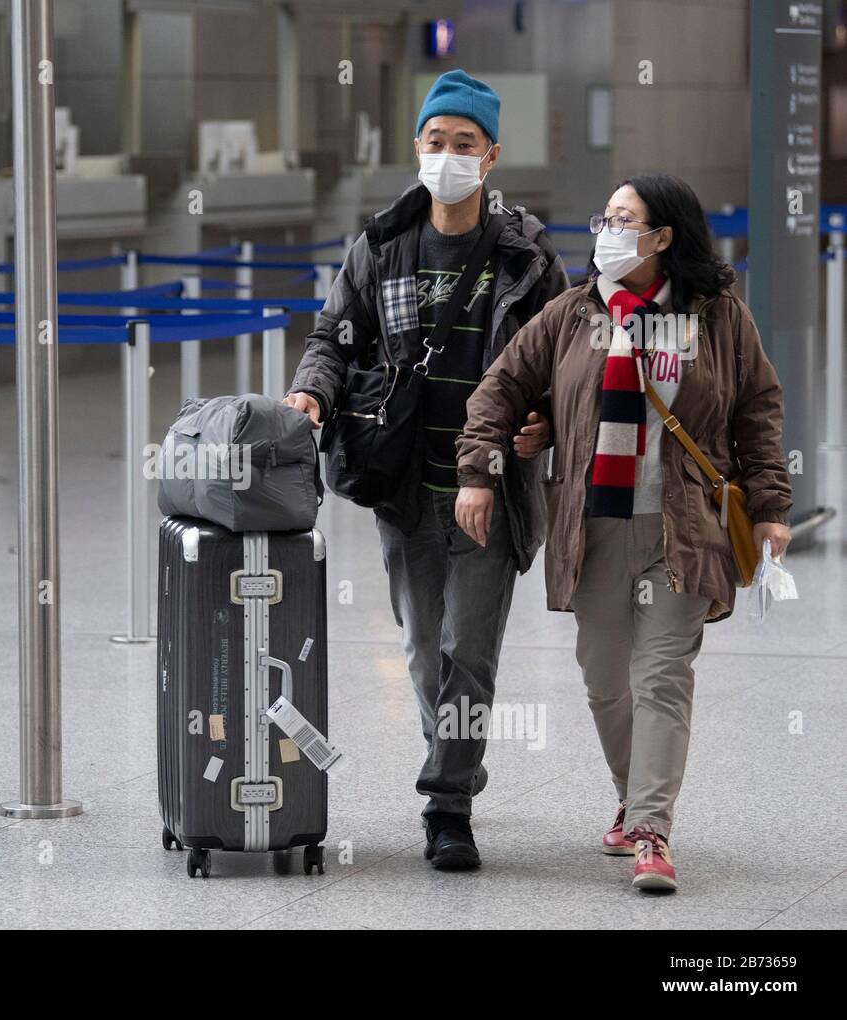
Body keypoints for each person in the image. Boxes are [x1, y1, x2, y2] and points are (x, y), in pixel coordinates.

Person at [455, 173, 793, 892]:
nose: (605, 229)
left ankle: (650, 831)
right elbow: (500, 387)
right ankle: (632, 793)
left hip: (682, 528)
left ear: (662, 237)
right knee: (606, 680)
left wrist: (770, 506)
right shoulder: (574, 314)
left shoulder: (718, 318)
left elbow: (757, 411)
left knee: (661, 675)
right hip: (592, 527)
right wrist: (479, 471)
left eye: (622, 219)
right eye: (602, 216)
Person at [283, 70, 568, 870]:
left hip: (494, 489)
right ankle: (456, 766)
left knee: (467, 654)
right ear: (418, 147)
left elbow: (563, 357)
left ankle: (448, 805)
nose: (447, 155)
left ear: (491, 156)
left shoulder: (525, 256)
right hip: (405, 486)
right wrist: (311, 394)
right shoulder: (380, 245)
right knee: (421, 652)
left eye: (464, 144)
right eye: (436, 141)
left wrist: (546, 420)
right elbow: (334, 339)